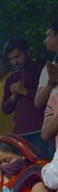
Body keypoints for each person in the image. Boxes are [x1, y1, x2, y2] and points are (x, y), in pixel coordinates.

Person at [2, 38, 47, 153]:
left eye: (18, 56)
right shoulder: (11, 78)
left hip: (41, 130)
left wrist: (24, 91)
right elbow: (5, 109)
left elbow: (48, 97)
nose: (15, 62)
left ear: (27, 52)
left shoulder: (40, 68)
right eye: (11, 59)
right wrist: (13, 97)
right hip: (19, 133)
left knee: (42, 162)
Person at [36, 22, 58, 156]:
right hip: (52, 126)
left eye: (48, 36)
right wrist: (51, 81)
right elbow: (38, 102)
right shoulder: (47, 69)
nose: (45, 41)